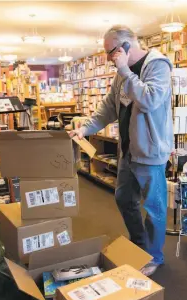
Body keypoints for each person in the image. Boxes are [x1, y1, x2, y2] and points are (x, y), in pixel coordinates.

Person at [70, 25, 173, 276]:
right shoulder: (121, 75)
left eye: (110, 52)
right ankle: (139, 243)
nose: (108, 59)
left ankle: (154, 256)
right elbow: (107, 109)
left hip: (150, 152)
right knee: (124, 198)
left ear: (126, 46)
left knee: (154, 207)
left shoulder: (158, 66)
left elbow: (149, 100)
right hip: (127, 151)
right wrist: (85, 129)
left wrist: (125, 70)